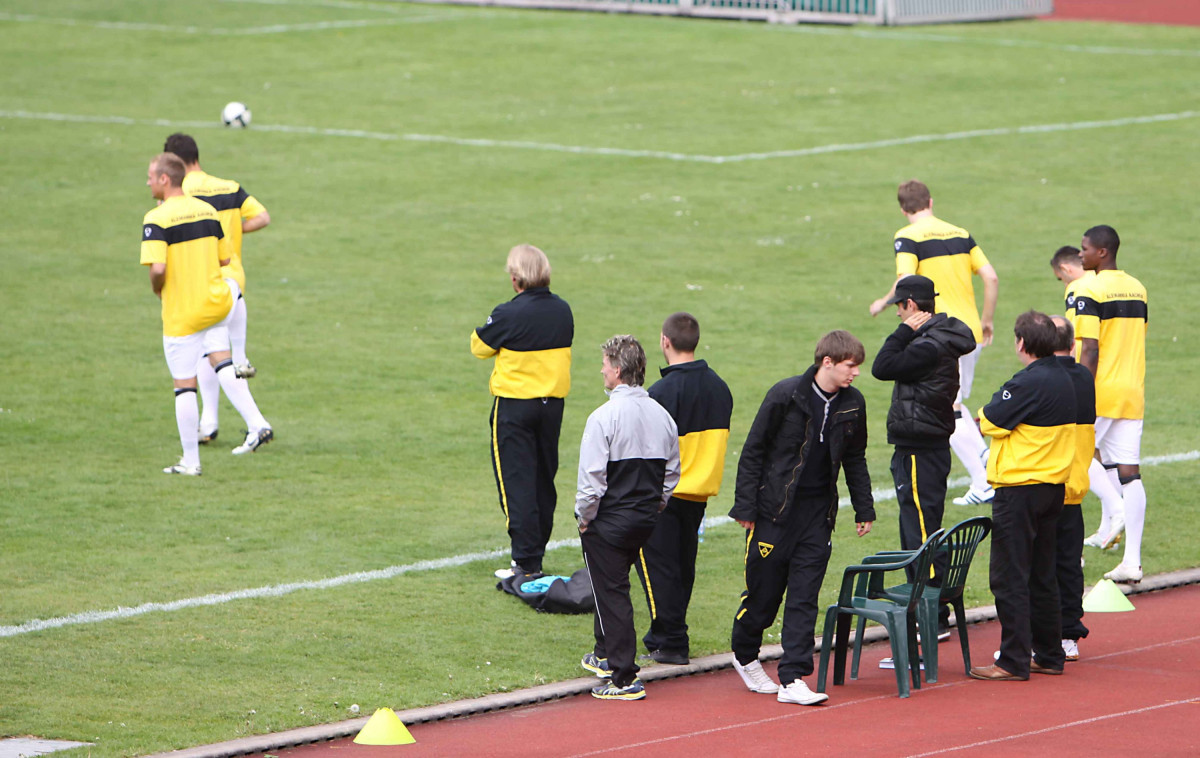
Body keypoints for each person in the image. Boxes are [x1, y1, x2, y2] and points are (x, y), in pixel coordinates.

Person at [728, 331, 875, 706]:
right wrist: (745, 507)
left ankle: (793, 677)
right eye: (850, 366)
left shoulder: (853, 404)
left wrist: (864, 508)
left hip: (817, 517)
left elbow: (855, 458)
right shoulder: (786, 394)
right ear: (827, 362)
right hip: (774, 514)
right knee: (763, 597)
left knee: (804, 597)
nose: (856, 373)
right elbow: (753, 451)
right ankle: (744, 654)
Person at [141, 153, 273, 474]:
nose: (147, 182)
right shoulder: (207, 211)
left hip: (184, 313)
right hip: (216, 304)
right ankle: (240, 411)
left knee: (184, 386)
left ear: (164, 179)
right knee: (217, 357)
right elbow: (225, 259)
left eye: (150, 177)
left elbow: (158, 268)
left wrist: (158, 288)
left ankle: (191, 462)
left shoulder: (156, 218)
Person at [869, 180, 999, 507]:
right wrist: (986, 319)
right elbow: (991, 277)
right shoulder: (960, 233)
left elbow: (905, 280)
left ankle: (984, 473)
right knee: (954, 400)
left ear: (903, 209)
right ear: (930, 201)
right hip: (968, 331)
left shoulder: (908, 236)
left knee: (948, 406)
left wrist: (883, 302)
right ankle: (982, 470)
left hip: (936, 330)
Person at [969, 311, 1075, 681]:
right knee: (1043, 575)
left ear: (1022, 343)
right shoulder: (1067, 377)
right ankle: (1049, 654)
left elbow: (990, 420)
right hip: (1052, 488)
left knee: (1009, 576)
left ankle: (1012, 660)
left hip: (1020, 489)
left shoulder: (1028, 381)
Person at [870, 275, 976, 641]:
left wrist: (903, 332)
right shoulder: (940, 338)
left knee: (919, 533)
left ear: (911, 305)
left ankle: (930, 616)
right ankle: (934, 612)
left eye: (899, 307)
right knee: (924, 526)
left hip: (918, 448)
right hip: (927, 445)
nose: (897, 314)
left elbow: (882, 366)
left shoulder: (927, 346)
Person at [576, 335, 679, 701]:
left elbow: (592, 481)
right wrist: (656, 505)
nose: (601, 370)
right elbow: (671, 473)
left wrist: (584, 518)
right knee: (611, 584)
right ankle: (604, 655)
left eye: (605, 364)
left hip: (609, 521)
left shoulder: (603, 417)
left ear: (618, 370)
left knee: (613, 592)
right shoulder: (662, 416)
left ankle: (623, 677)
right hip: (645, 519)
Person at [633, 312, 733, 666]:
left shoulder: (660, 393)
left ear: (665, 341)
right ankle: (664, 637)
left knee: (658, 568)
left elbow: (649, 451)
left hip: (665, 493)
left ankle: (672, 640)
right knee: (681, 566)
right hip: (699, 493)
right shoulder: (720, 387)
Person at [470, 245, 573, 579]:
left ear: (516, 279)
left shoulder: (508, 313)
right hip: (551, 407)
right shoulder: (563, 310)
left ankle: (525, 562)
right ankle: (535, 554)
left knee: (517, 482)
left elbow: (479, 346)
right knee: (543, 479)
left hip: (515, 407)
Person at [1075, 225, 1149, 584]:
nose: (1080, 254)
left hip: (1100, 391)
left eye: (1085, 248)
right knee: (1130, 474)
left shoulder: (1089, 288)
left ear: (1102, 252)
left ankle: (1073, 552)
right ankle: (1132, 561)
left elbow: (1090, 348)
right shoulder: (1138, 287)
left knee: (1073, 458)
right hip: (1132, 390)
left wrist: (1079, 391)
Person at [1050, 245, 1124, 550]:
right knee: (1104, 457)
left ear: (1066, 270)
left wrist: (1074, 379)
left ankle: (1118, 509)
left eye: (1060, 278)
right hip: (1122, 377)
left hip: (1093, 381)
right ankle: (1109, 528)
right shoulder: (1109, 286)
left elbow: (1077, 340)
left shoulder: (1079, 290)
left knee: (1080, 452)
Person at [1050, 315, 1096, 662]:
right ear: (1072, 344)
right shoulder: (1084, 377)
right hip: (1075, 486)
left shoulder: (1047, 378)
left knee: (1040, 566)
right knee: (1068, 564)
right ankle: (1068, 635)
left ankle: (1045, 636)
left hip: (1049, 485)